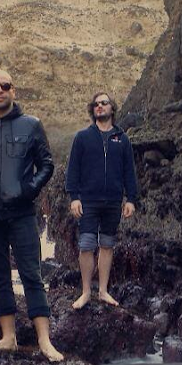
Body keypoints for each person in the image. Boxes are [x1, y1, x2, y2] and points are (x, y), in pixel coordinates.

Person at [0, 69, 63, 362]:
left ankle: (45, 341)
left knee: (32, 274)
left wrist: (29, 189)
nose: (0, 90)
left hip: (22, 213)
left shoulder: (31, 125)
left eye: (5, 85)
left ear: (14, 90)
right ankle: (8, 338)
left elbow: (46, 164)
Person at [65, 91, 138, 309]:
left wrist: (131, 199)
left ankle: (103, 291)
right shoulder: (82, 137)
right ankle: (86, 291)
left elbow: (129, 171)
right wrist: (74, 198)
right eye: (96, 104)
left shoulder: (122, 139)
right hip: (88, 201)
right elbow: (73, 169)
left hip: (113, 202)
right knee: (86, 245)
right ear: (92, 109)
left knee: (107, 245)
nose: (99, 106)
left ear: (112, 108)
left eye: (104, 103)